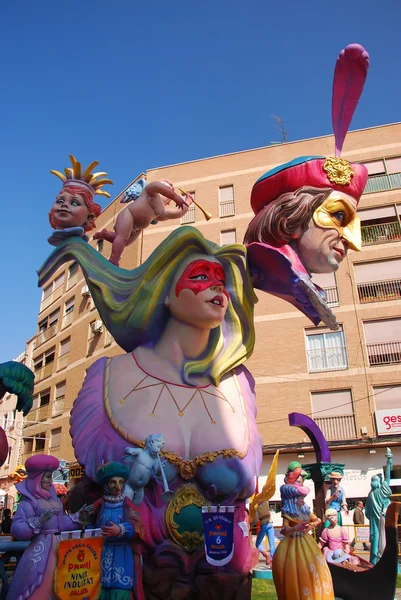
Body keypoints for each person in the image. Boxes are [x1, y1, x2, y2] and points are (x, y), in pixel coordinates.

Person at [39, 226, 261, 599]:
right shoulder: (109, 376)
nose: (217, 290)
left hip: (222, 583)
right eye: (201, 276)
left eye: (221, 281)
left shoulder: (239, 384)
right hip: (129, 575)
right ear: (163, 294)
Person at [8, 455, 83, 600]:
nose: (51, 481)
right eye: (47, 477)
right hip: (40, 550)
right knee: (41, 583)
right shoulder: (29, 503)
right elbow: (17, 528)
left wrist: (78, 517)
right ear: (38, 478)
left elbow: (60, 523)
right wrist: (37, 522)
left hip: (59, 548)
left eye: (51, 477)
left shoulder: (54, 500)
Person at [94, 179, 192, 266]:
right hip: (129, 215)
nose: (167, 191)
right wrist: (175, 196)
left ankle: (105, 234)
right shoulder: (149, 191)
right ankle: (114, 259)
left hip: (137, 228)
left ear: (168, 202)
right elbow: (158, 187)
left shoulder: (161, 211)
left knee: (125, 242)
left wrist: (187, 202)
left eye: (169, 191)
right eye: (166, 188)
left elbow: (178, 213)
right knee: (122, 237)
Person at [87, 462, 144, 600]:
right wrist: (90, 530)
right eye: (113, 482)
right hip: (101, 551)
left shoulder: (127, 503)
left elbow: (138, 526)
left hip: (121, 552)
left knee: (120, 587)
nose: (118, 486)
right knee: (99, 585)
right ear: (106, 484)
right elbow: (86, 520)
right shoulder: (100, 503)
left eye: (120, 482)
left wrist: (120, 530)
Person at [272, 477, 334, 600]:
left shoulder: (306, 511)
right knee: (294, 572)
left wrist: (308, 527)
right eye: (299, 497)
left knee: (315, 570)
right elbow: (284, 531)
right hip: (291, 546)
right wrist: (296, 528)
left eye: (302, 497)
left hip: (306, 541)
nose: (302, 500)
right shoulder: (288, 513)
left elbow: (317, 519)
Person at [48, 154, 112, 246]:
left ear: (89, 217)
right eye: (60, 201)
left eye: (74, 203)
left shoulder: (81, 250)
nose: (64, 205)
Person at [365, 448, 392, 564]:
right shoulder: (370, 494)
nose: (372, 483)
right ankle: (374, 561)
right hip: (374, 524)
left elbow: (388, 476)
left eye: (374, 480)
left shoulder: (382, 491)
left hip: (383, 522)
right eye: (372, 480)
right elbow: (366, 511)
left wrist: (389, 461)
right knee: (375, 541)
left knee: (384, 541)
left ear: (379, 482)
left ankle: (381, 561)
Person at [252, 500, 275, 567]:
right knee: (272, 544)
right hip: (270, 523)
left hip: (264, 524)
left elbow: (255, 519)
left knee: (257, 543)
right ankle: (272, 561)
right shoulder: (266, 500)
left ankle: (265, 554)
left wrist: (251, 525)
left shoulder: (255, 504)